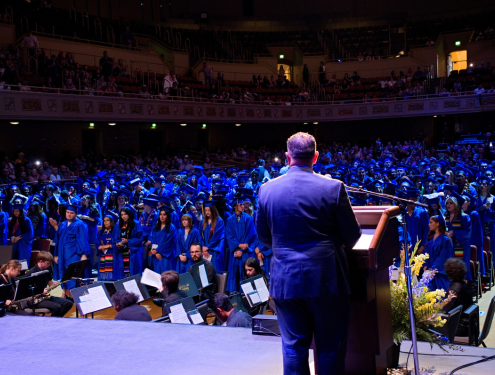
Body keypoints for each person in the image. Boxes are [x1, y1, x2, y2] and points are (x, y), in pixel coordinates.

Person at [256, 132, 361, 375]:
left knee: (293, 348)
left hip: (285, 280)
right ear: (315, 157)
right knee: (330, 348)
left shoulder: (266, 190)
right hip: (327, 280)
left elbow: (263, 236)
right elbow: (352, 236)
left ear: (287, 157)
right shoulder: (333, 188)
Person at [25, 251, 73, 317]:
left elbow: (51, 284)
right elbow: (26, 292)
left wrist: (61, 281)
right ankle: (52, 323)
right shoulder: (31, 273)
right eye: (48, 263)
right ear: (41, 262)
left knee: (68, 303)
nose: (49, 265)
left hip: (43, 297)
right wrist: (41, 292)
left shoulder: (47, 270)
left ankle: (55, 320)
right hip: (34, 300)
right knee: (57, 307)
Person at [55, 204, 90, 293]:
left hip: (74, 254)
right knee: (64, 274)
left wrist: (84, 255)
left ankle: (74, 294)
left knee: (73, 275)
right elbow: (57, 241)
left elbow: (83, 240)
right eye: (67, 212)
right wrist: (56, 255)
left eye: (72, 213)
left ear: (76, 214)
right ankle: (65, 292)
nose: (69, 214)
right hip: (62, 254)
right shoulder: (62, 224)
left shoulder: (80, 224)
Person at [225, 197, 256, 293]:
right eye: (240, 205)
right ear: (235, 206)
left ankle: (247, 296)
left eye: (243, 204)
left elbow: (250, 235)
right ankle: (234, 297)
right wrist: (238, 246)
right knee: (234, 274)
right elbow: (229, 236)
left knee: (245, 274)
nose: (243, 206)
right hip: (234, 251)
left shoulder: (248, 218)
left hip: (245, 252)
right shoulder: (230, 220)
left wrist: (242, 249)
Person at [442, 258, 473, 335]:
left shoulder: (454, 291)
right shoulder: (464, 285)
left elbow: (445, 313)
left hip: (459, 328)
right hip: (470, 325)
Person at [423, 215, 454, 291]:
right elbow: (426, 253)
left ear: (437, 223)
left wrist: (433, 269)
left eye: (431, 222)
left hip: (440, 273)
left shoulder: (445, 240)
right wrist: (425, 264)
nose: (429, 224)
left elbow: (443, 257)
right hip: (430, 273)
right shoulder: (430, 239)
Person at [445, 195, 472, 281]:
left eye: (451, 203)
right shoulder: (445, 216)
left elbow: (468, 232)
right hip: (448, 246)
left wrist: (454, 232)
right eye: (447, 203)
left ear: (456, 204)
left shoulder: (463, 217)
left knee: (460, 267)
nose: (448, 205)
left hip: (460, 246)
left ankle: (462, 288)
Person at [145, 205, 177, 274]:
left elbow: (168, 243)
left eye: (164, 215)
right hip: (156, 256)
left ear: (168, 216)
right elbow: (152, 240)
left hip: (166, 256)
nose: (162, 216)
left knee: (167, 276)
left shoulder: (172, 228)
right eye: (160, 214)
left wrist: (157, 251)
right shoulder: (155, 227)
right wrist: (154, 251)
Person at [114, 207, 143, 277]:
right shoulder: (119, 225)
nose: (123, 216)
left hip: (133, 252)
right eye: (122, 215)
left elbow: (139, 239)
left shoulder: (136, 224)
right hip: (122, 252)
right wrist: (118, 243)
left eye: (125, 214)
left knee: (133, 272)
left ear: (129, 214)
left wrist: (127, 241)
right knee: (123, 272)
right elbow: (115, 237)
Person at [200, 201, 225, 272]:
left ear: (213, 210)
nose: (207, 212)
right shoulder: (202, 222)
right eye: (206, 210)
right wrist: (203, 247)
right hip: (204, 249)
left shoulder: (219, 221)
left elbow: (217, 236)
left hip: (214, 250)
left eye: (209, 210)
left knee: (215, 269)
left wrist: (208, 247)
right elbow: (200, 236)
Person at [97, 213, 117, 280]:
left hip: (112, 256)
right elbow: (97, 242)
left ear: (111, 221)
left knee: (110, 276)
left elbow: (118, 243)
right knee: (102, 276)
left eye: (107, 220)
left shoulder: (115, 232)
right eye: (104, 221)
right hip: (102, 256)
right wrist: (99, 247)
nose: (105, 222)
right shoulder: (101, 232)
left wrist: (108, 246)